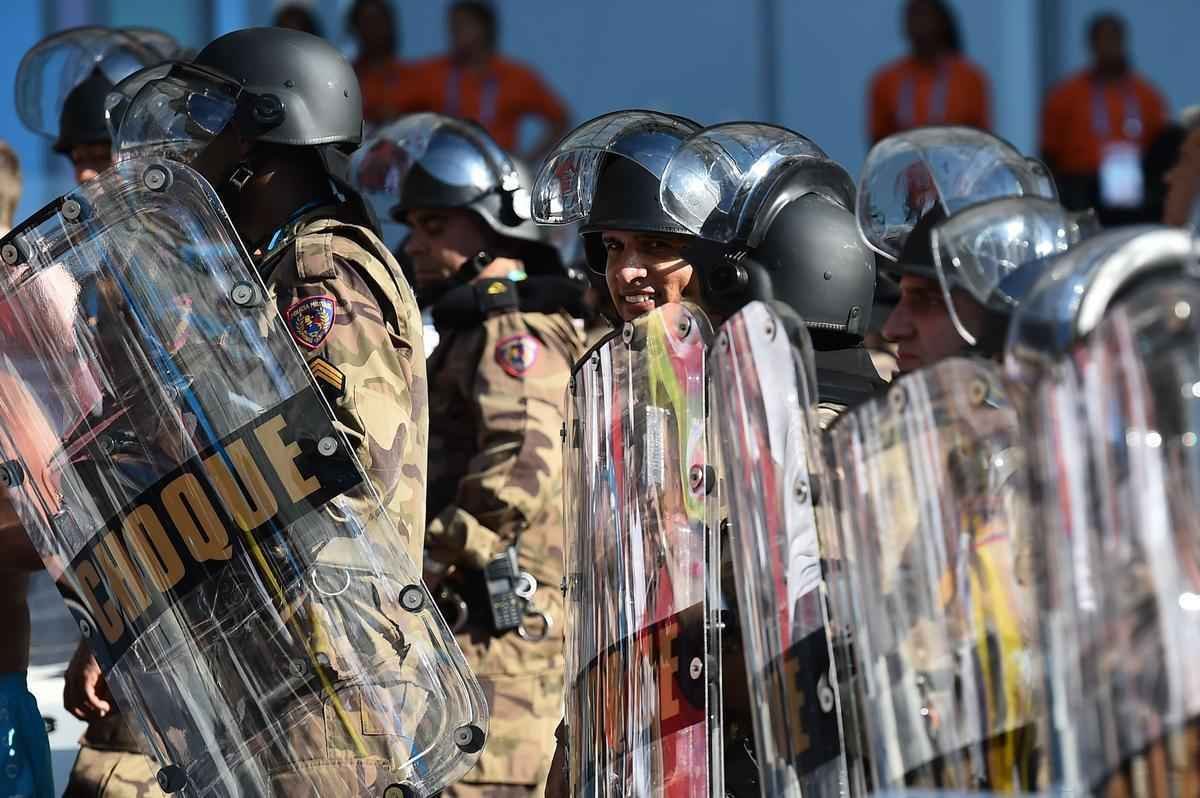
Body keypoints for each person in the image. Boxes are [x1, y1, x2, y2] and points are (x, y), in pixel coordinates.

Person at [74, 26, 454, 794]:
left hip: (322, 667)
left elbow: (348, 456)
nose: (193, 148)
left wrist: (191, 473)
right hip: (274, 659)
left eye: (210, 124)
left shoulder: (320, 264)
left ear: (261, 141)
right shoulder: (271, 266)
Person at [357, 112, 585, 797]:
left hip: (507, 644)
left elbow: (519, 463)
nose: (414, 245)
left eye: (435, 227)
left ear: (492, 228)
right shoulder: (477, 326)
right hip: (479, 636)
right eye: (413, 226)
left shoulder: (513, 330)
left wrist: (424, 560)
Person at [12, 28, 182, 797]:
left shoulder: (199, 265)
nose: (83, 173)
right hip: (136, 601)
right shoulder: (107, 277)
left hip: (205, 600)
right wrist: (105, 625)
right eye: (76, 154)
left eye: (101, 153)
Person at [1040, 12, 1168, 222]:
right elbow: (1049, 153)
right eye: (1102, 40)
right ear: (1091, 45)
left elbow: (1161, 150)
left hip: (1137, 196)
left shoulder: (1148, 96)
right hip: (1083, 193)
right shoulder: (1065, 95)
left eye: (1113, 39)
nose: (1108, 46)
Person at [405, 1, 569, 159]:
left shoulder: (516, 76)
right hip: (445, 167)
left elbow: (560, 119)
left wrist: (527, 161)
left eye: (462, 25)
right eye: (452, 26)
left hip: (499, 174)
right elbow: (395, 114)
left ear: (485, 29)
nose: (454, 32)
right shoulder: (431, 72)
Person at [868, 0, 990, 144]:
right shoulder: (885, 80)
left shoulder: (970, 78)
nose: (916, 23)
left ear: (942, 22)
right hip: (904, 163)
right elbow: (877, 144)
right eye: (911, 16)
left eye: (923, 14)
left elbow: (983, 141)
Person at [348, 0, 419, 126]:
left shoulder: (417, 77)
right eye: (368, 22)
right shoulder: (344, 78)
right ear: (355, 29)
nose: (376, 29)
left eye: (380, 21)